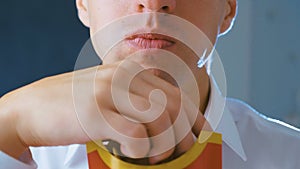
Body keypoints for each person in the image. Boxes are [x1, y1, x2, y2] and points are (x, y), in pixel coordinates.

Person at [0, 0, 299, 169]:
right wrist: (6, 121)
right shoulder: (19, 151)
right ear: (83, 3)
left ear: (229, 8)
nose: (154, 3)